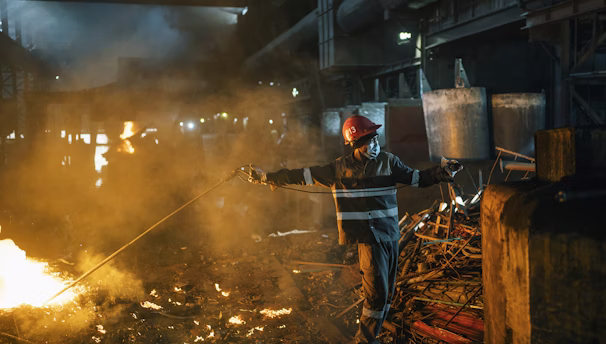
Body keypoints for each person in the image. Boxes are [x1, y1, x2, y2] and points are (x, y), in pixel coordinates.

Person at [248, 115, 462, 343]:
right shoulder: (339, 168)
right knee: (375, 294)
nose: (375, 144)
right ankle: (364, 340)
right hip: (368, 239)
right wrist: (269, 177)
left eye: (375, 138)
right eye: (369, 140)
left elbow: (418, 178)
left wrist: (443, 172)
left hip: (389, 235)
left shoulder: (388, 161)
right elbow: (304, 175)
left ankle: (374, 335)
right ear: (355, 143)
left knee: (386, 293)